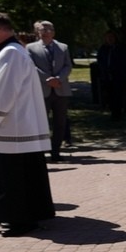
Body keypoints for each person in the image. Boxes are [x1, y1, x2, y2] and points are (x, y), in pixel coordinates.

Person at [0, 13, 56, 236]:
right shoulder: (4, 52)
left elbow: (4, 90)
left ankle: (21, 219)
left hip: (14, 126)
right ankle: (14, 216)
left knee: (14, 175)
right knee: (12, 173)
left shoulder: (12, 53)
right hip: (9, 125)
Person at [25, 21, 72, 162]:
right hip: (41, 90)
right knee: (41, 122)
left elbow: (68, 66)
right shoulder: (30, 48)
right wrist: (47, 79)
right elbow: (31, 66)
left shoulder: (63, 47)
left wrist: (58, 79)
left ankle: (55, 151)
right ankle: (40, 152)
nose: (45, 32)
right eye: (42, 29)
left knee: (60, 123)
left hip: (61, 90)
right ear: (37, 32)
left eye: (48, 29)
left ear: (53, 32)